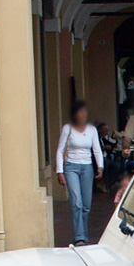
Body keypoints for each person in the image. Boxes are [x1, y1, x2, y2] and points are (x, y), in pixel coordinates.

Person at [55, 100, 103, 246]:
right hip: (71, 168)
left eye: (84, 112)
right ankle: (79, 237)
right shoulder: (67, 129)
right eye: (79, 112)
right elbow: (60, 150)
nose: (83, 115)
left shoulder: (92, 130)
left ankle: (84, 233)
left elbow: (96, 149)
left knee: (86, 204)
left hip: (87, 167)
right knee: (77, 202)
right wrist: (60, 171)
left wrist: (100, 166)